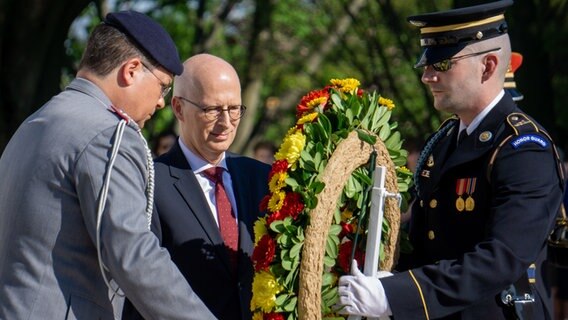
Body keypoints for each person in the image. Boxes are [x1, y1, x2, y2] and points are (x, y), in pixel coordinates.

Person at [336, 1, 565, 319]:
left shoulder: (523, 148)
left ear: (487, 66)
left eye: (442, 65)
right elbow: (425, 242)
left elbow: (502, 258)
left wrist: (397, 295)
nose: (426, 77)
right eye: (426, 65)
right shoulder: (445, 140)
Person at [0, 10, 216, 320]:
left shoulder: (38, 121)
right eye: (163, 86)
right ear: (131, 70)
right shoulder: (108, 133)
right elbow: (134, 256)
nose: (159, 102)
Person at [122, 53, 270, 320]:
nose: (226, 122)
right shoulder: (149, 182)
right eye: (212, 110)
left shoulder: (262, 179)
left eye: (234, 108)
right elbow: (141, 286)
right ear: (178, 108)